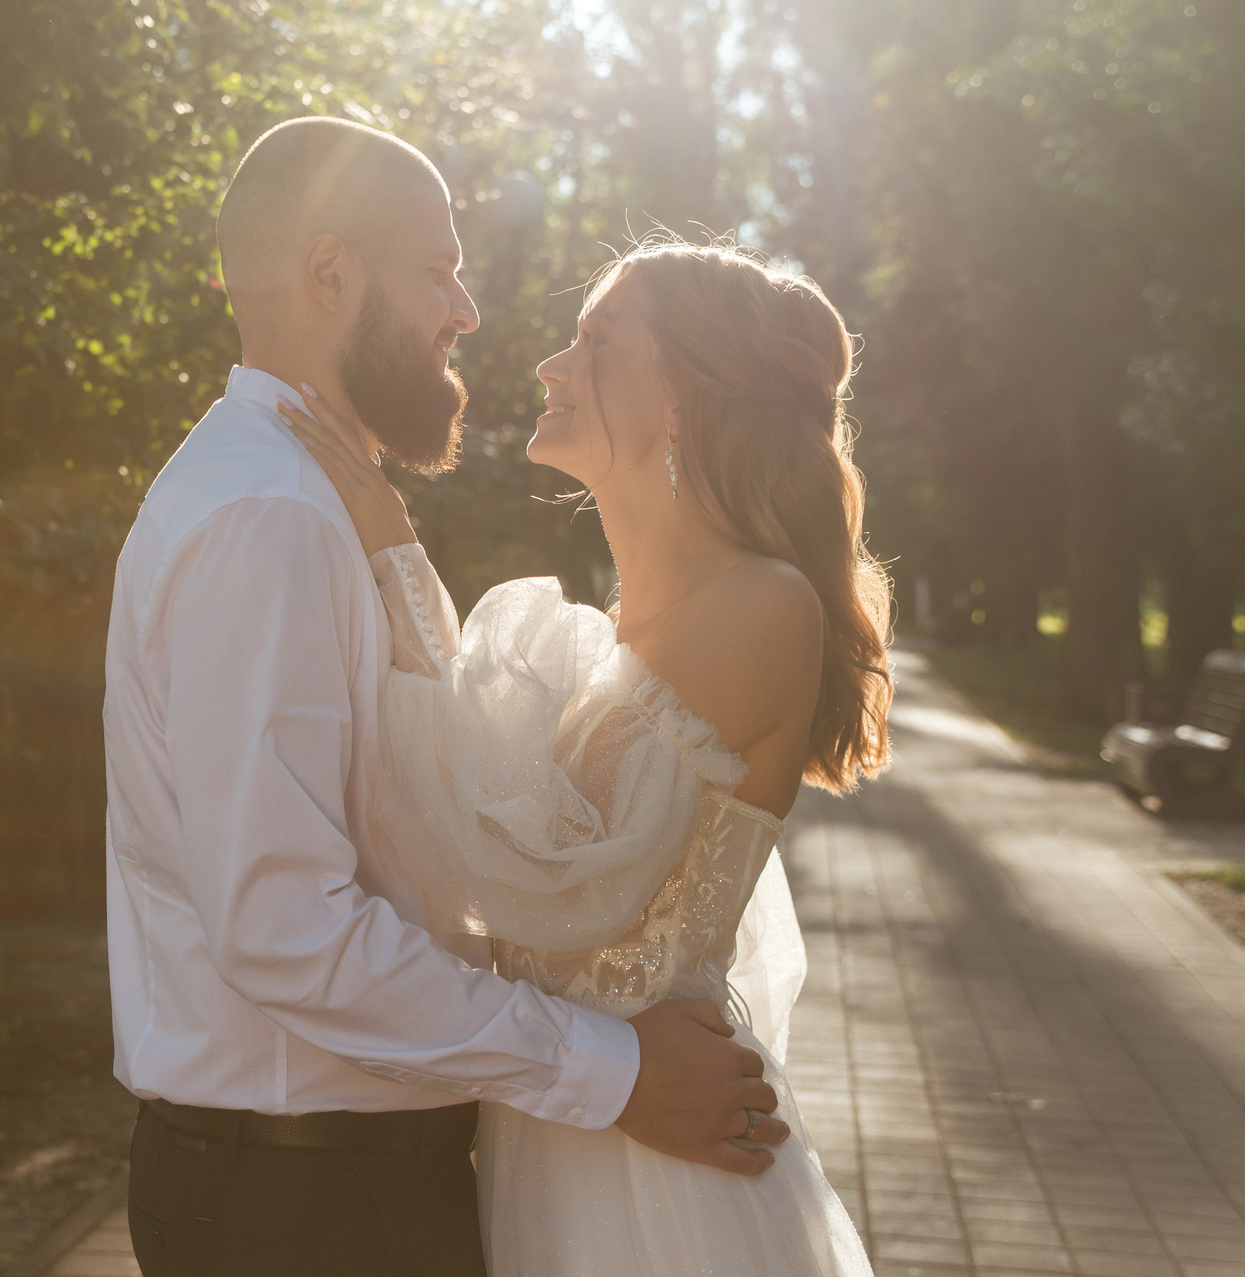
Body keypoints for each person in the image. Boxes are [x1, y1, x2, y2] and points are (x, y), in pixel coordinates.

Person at [103, 118, 793, 1277]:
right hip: (304, 1212)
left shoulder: (309, 504)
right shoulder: (271, 518)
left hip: (349, 1190)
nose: (466, 309)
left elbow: (448, 818)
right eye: (437, 268)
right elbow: (285, 928)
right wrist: (609, 1071)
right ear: (331, 274)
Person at [279, 234, 889, 1275]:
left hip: (658, 1190)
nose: (549, 366)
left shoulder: (761, 604)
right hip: (568, 1141)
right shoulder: (631, 630)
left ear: (687, 397)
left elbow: (532, 876)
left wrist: (391, 554)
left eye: (596, 340)